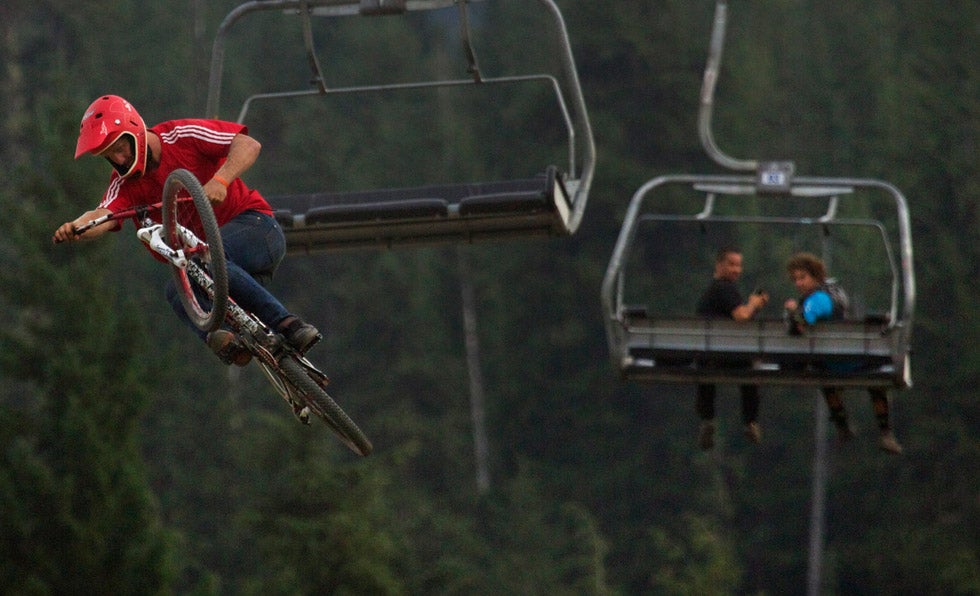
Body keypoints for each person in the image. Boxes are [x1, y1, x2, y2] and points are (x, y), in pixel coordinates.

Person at [53, 94, 319, 366]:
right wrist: (77, 227)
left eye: (121, 147)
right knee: (177, 291)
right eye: (110, 156)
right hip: (218, 267)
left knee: (204, 262)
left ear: (135, 130)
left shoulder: (182, 135)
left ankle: (289, 325)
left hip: (258, 230)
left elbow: (248, 144)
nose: (120, 159)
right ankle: (230, 341)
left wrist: (220, 180)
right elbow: (103, 214)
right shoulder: (123, 184)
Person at [783, 252, 903, 454]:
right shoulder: (832, 294)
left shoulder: (818, 300)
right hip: (857, 360)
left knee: (825, 378)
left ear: (816, 276)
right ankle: (885, 432)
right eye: (795, 279)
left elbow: (801, 325)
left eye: (802, 277)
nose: (798, 283)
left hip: (833, 364)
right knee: (876, 382)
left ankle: (842, 425)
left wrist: (793, 312)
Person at [694, 246, 770, 449]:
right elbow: (741, 316)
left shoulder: (715, 289)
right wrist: (753, 304)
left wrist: (753, 305)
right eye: (732, 264)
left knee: (707, 374)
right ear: (719, 265)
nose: (736, 270)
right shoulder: (723, 287)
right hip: (722, 353)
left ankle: (708, 419)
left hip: (707, 353)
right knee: (750, 371)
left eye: (739, 265)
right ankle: (750, 421)